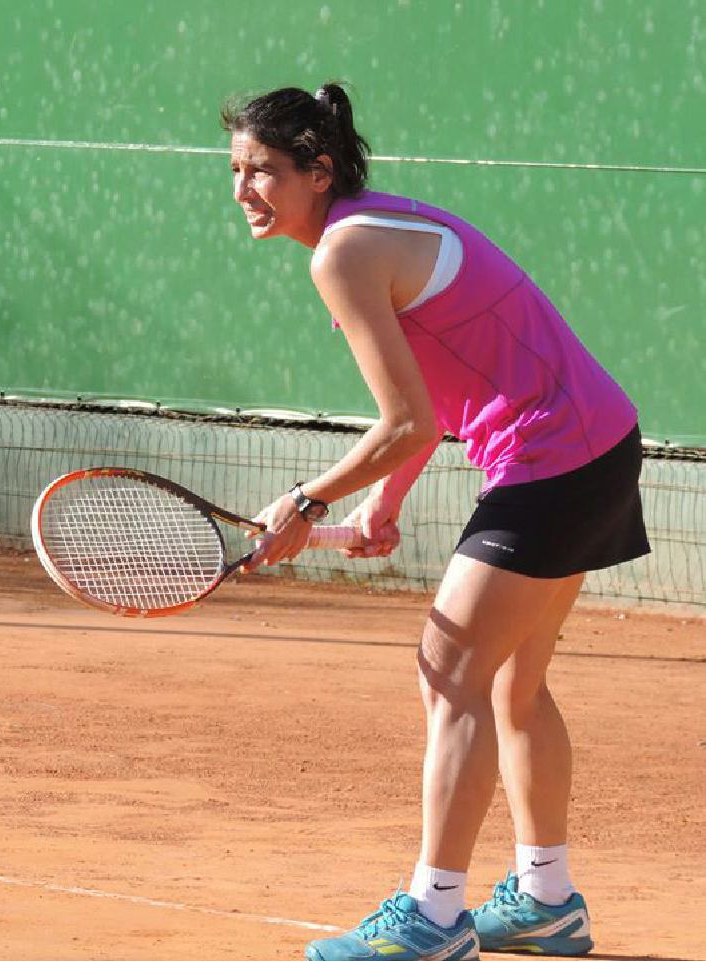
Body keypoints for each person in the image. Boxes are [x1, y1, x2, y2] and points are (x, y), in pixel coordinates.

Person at [221, 82, 650, 961]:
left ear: (318, 169)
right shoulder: (381, 224)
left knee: (448, 669)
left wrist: (310, 500)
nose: (244, 190)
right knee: (510, 684)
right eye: (234, 170)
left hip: (551, 458)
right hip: (597, 442)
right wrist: (385, 498)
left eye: (263, 170)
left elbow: (407, 421)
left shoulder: (343, 251)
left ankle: (436, 916)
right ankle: (545, 899)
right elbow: (436, 391)